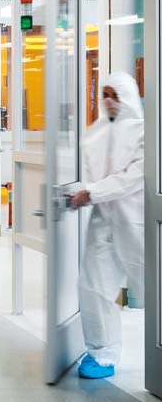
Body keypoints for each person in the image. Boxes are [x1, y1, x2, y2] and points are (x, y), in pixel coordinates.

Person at [69, 72, 144, 379]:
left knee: (154, 286)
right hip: (103, 221)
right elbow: (90, 173)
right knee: (94, 287)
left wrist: (93, 192)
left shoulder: (144, 131)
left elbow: (135, 177)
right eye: (106, 94)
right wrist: (79, 190)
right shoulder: (95, 132)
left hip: (136, 220)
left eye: (115, 94)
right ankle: (102, 354)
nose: (110, 101)